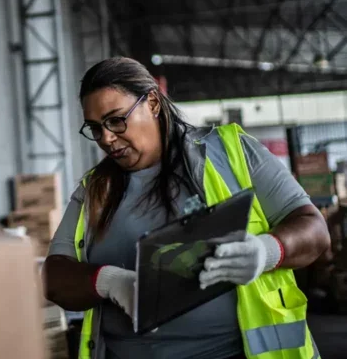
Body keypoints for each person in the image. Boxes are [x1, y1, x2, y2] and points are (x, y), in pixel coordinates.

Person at [43, 57, 330, 359]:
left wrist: (266, 251)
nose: (106, 138)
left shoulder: (232, 154)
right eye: (95, 128)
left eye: (116, 120)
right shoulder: (95, 190)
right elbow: (53, 276)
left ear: (152, 102)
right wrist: (110, 282)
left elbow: (314, 228)